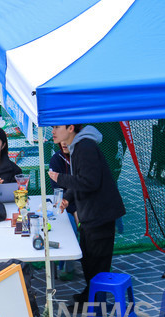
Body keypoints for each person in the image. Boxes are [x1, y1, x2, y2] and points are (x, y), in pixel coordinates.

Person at [49, 124, 126, 305]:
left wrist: (59, 178)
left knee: (97, 262)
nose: (53, 131)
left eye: (57, 127)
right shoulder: (78, 147)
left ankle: (96, 304)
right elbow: (82, 177)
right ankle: (89, 295)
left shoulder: (85, 147)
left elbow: (89, 182)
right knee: (87, 259)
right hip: (90, 213)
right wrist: (67, 197)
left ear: (70, 128)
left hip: (101, 213)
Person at [49, 141, 78, 281]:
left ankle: (101, 263)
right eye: (62, 140)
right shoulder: (56, 159)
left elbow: (86, 185)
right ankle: (68, 267)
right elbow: (58, 190)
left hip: (86, 204)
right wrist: (74, 211)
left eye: (69, 140)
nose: (65, 143)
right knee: (69, 225)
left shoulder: (83, 157)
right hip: (65, 205)